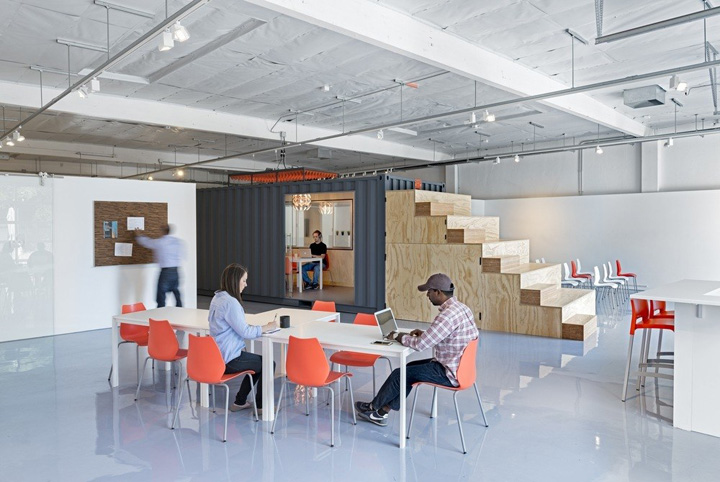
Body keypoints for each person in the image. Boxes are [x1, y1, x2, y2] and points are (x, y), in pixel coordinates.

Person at [355, 273, 479, 426]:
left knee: (399, 374)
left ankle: (373, 408)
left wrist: (399, 336)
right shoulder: (462, 308)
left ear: (438, 292)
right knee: (408, 369)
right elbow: (447, 335)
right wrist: (426, 334)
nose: (427, 295)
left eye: (429, 291)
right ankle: (381, 412)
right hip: (461, 368)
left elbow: (421, 345)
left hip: (448, 372)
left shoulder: (447, 315)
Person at [209, 264, 278, 412]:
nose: (246, 285)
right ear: (235, 281)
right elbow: (246, 332)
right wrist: (267, 327)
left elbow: (234, 326)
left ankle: (240, 401)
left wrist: (250, 327)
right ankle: (262, 407)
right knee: (267, 363)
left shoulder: (217, 298)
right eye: (244, 280)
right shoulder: (231, 302)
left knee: (257, 363)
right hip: (229, 358)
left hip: (216, 357)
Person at [134, 225, 184, 308]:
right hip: (176, 271)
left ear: (162, 231)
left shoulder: (160, 242)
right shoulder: (177, 242)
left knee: (161, 296)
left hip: (166, 272)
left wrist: (138, 235)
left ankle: (160, 313)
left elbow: (147, 242)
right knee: (176, 293)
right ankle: (181, 311)